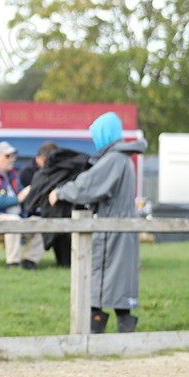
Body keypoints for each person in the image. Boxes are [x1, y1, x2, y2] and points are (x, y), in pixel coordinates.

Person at [49, 111, 147, 333]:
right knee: (120, 282)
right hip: (123, 226)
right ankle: (124, 331)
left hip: (111, 227)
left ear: (105, 134)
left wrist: (61, 192)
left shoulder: (113, 159)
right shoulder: (123, 158)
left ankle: (95, 331)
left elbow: (88, 186)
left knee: (100, 280)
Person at [0, 141, 43, 269]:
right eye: (8, 156)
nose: (12, 159)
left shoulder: (12, 175)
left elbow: (23, 198)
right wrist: (17, 199)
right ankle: (13, 263)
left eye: (13, 156)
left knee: (42, 223)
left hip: (18, 216)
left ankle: (30, 261)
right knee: (13, 221)